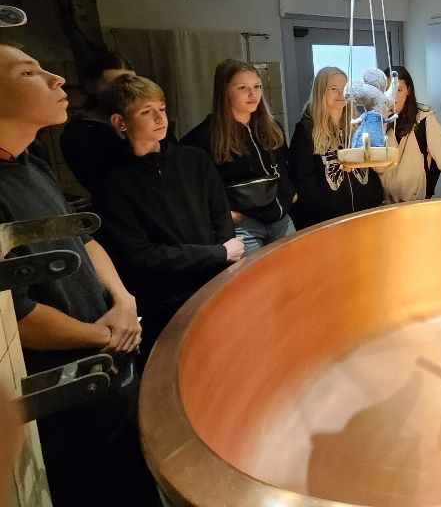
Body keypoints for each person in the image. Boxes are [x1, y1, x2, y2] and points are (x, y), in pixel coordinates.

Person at [0, 42, 159, 505]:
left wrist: (123, 300)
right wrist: (101, 336)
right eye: (28, 72)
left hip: (108, 352)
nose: (57, 78)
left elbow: (83, 239)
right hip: (65, 382)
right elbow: (15, 314)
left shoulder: (30, 161)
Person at [93, 75, 242, 362]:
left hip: (214, 283)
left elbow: (220, 215)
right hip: (163, 299)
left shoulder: (194, 160)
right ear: (120, 122)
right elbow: (141, 255)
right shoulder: (113, 182)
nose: (160, 118)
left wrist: (224, 260)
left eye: (161, 108)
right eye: (146, 111)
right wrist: (218, 253)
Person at [183, 59, 296, 255]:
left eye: (257, 86)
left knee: (295, 269)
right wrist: (225, 213)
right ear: (224, 90)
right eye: (243, 87)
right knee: (257, 275)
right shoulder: (204, 137)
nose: (253, 94)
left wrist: (290, 193)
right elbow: (194, 188)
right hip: (244, 224)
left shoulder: (272, 127)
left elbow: (284, 166)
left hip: (280, 218)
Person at [289, 67, 383, 229]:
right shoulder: (306, 130)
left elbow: (371, 168)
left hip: (364, 217)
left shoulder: (357, 126)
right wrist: (325, 210)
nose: (341, 94)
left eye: (345, 88)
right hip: (327, 223)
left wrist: (375, 198)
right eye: (333, 89)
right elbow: (304, 182)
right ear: (321, 92)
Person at [380, 66, 441, 203]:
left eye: (398, 90)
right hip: (382, 204)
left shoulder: (424, 118)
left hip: (414, 202)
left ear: (408, 90)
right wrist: (381, 124)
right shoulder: (374, 120)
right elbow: (375, 165)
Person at [58, 50, 135, 196]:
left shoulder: (149, 118)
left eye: (130, 83)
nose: (125, 91)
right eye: (113, 84)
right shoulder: (80, 133)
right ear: (90, 86)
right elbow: (108, 186)